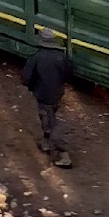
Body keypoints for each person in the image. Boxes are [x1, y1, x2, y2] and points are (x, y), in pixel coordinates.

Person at [22, 28, 75, 169]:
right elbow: (68, 74)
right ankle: (46, 143)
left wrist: (31, 86)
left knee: (49, 121)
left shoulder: (37, 57)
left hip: (43, 94)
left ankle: (63, 155)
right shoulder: (61, 57)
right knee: (51, 115)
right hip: (57, 93)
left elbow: (26, 77)